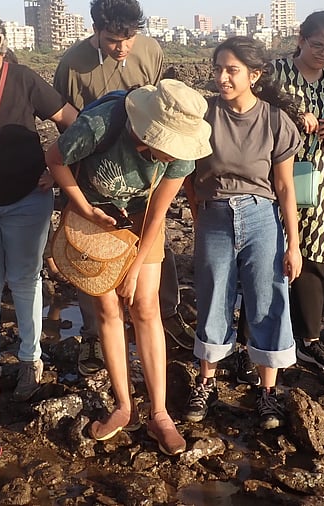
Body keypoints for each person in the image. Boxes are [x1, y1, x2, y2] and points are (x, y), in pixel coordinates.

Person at [46, 79, 212, 455]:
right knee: (107, 309)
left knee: (146, 306)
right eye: (167, 146)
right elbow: (54, 159)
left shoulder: (181, 153)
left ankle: (159, 414)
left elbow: (157, 213)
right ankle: (124, 405)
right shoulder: (100, 125)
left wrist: (135, 268)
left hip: (141, 217)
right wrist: (85, 208)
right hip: (94, 215)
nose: (172, 156)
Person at [53, 0, 196, 379]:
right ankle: (94, 333)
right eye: (114, 40)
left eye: (129, 38)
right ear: (96, 31)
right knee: (91, 259)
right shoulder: (73, 63)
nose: (123, 48)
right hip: (98, 169)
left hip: (147, 166)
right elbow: (63, 122)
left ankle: (165, 313)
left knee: (154, 245)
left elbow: (165, 100)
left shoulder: (150, 51)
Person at [0, 7, 78, 402]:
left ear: (4, 52)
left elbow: (73, 121)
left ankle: (30, 359)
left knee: (26, 279)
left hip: (27, 198)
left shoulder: (23, 79)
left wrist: (56, 166)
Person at [183, 37, 302, 428]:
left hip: (261, 216)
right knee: (212, 297)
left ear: (255, 74)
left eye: (232, 70)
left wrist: (294, 244)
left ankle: (267, 392)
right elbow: (185, 173)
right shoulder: (203, 115)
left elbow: (285, 187)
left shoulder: (275, 121)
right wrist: (199, 212)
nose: (223, 77)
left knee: (267, 300)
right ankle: (206, 382)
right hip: (214, 215)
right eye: (218, 69)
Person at [272, 11, 324, 368]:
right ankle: (256, 338)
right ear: (301, 39)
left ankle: (309, 336)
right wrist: (294, 113)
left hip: (321, 182)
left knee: (314, 256)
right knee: (271, 255)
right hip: (274, 180)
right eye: (318, 45)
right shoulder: (274, 74)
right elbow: (255, 111)